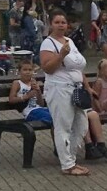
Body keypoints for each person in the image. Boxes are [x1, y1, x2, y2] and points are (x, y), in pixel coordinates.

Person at [39, 12, 96, 177]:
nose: (61, 25)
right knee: (63, 126)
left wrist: (87, 87)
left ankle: (71, 158)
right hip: (59, 88)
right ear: (51, 24)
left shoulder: (70, 41)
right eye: (57, 22)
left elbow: (78, 68)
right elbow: (48, 68)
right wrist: (61, 55)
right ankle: (67, 164)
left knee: (81, 125)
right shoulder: (47, 44)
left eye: (63, 22)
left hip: (76, 88)